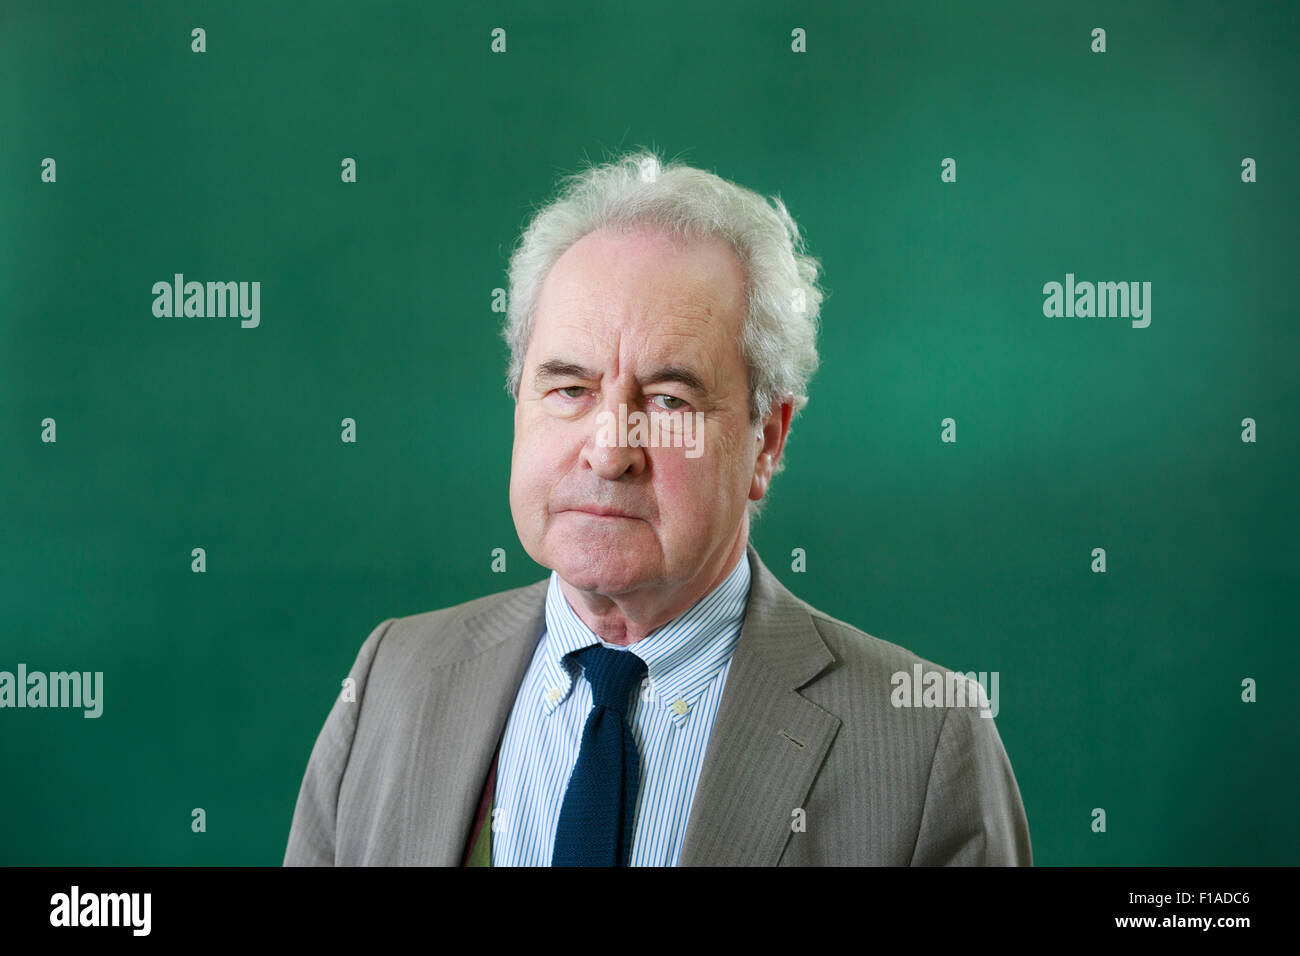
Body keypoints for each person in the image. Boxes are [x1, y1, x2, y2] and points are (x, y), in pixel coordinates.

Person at [283, 150, 1032, 866]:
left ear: (766, 441)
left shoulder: (924, 746)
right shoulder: (388, 681)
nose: (610, 451)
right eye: (569, 389)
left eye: (669, 400)